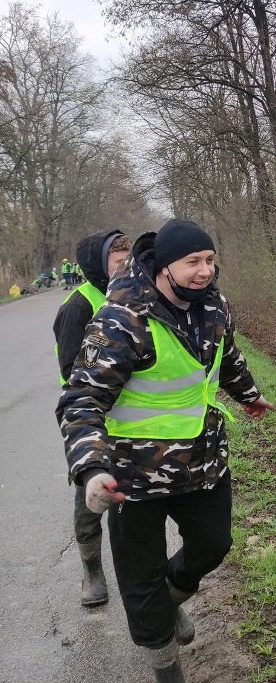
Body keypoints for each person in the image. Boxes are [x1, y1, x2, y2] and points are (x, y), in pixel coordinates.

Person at [57, 219, 273, 683]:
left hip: (202, 462)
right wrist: (91, 467)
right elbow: (81, 399)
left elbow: (226, 356)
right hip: (132, 477)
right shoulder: (121, 318)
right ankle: (168, 677)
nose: (205, 271)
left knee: (214, 545)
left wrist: (247, 394)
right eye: (193, 262)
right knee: (140, 579)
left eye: (210, 260)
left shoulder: (216, 306)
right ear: (165, 266)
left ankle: (174, 597)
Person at [53, 230, 132, 606]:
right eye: (119, 262)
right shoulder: (78, 307)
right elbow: (72, 373)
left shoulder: (137, 297)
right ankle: (92, 572)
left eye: (129, 260)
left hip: (135, 426)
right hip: (95, 425)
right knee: (90, 503)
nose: (127, 267)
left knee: (136, 511)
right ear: (100, 267)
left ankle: (148, 593)